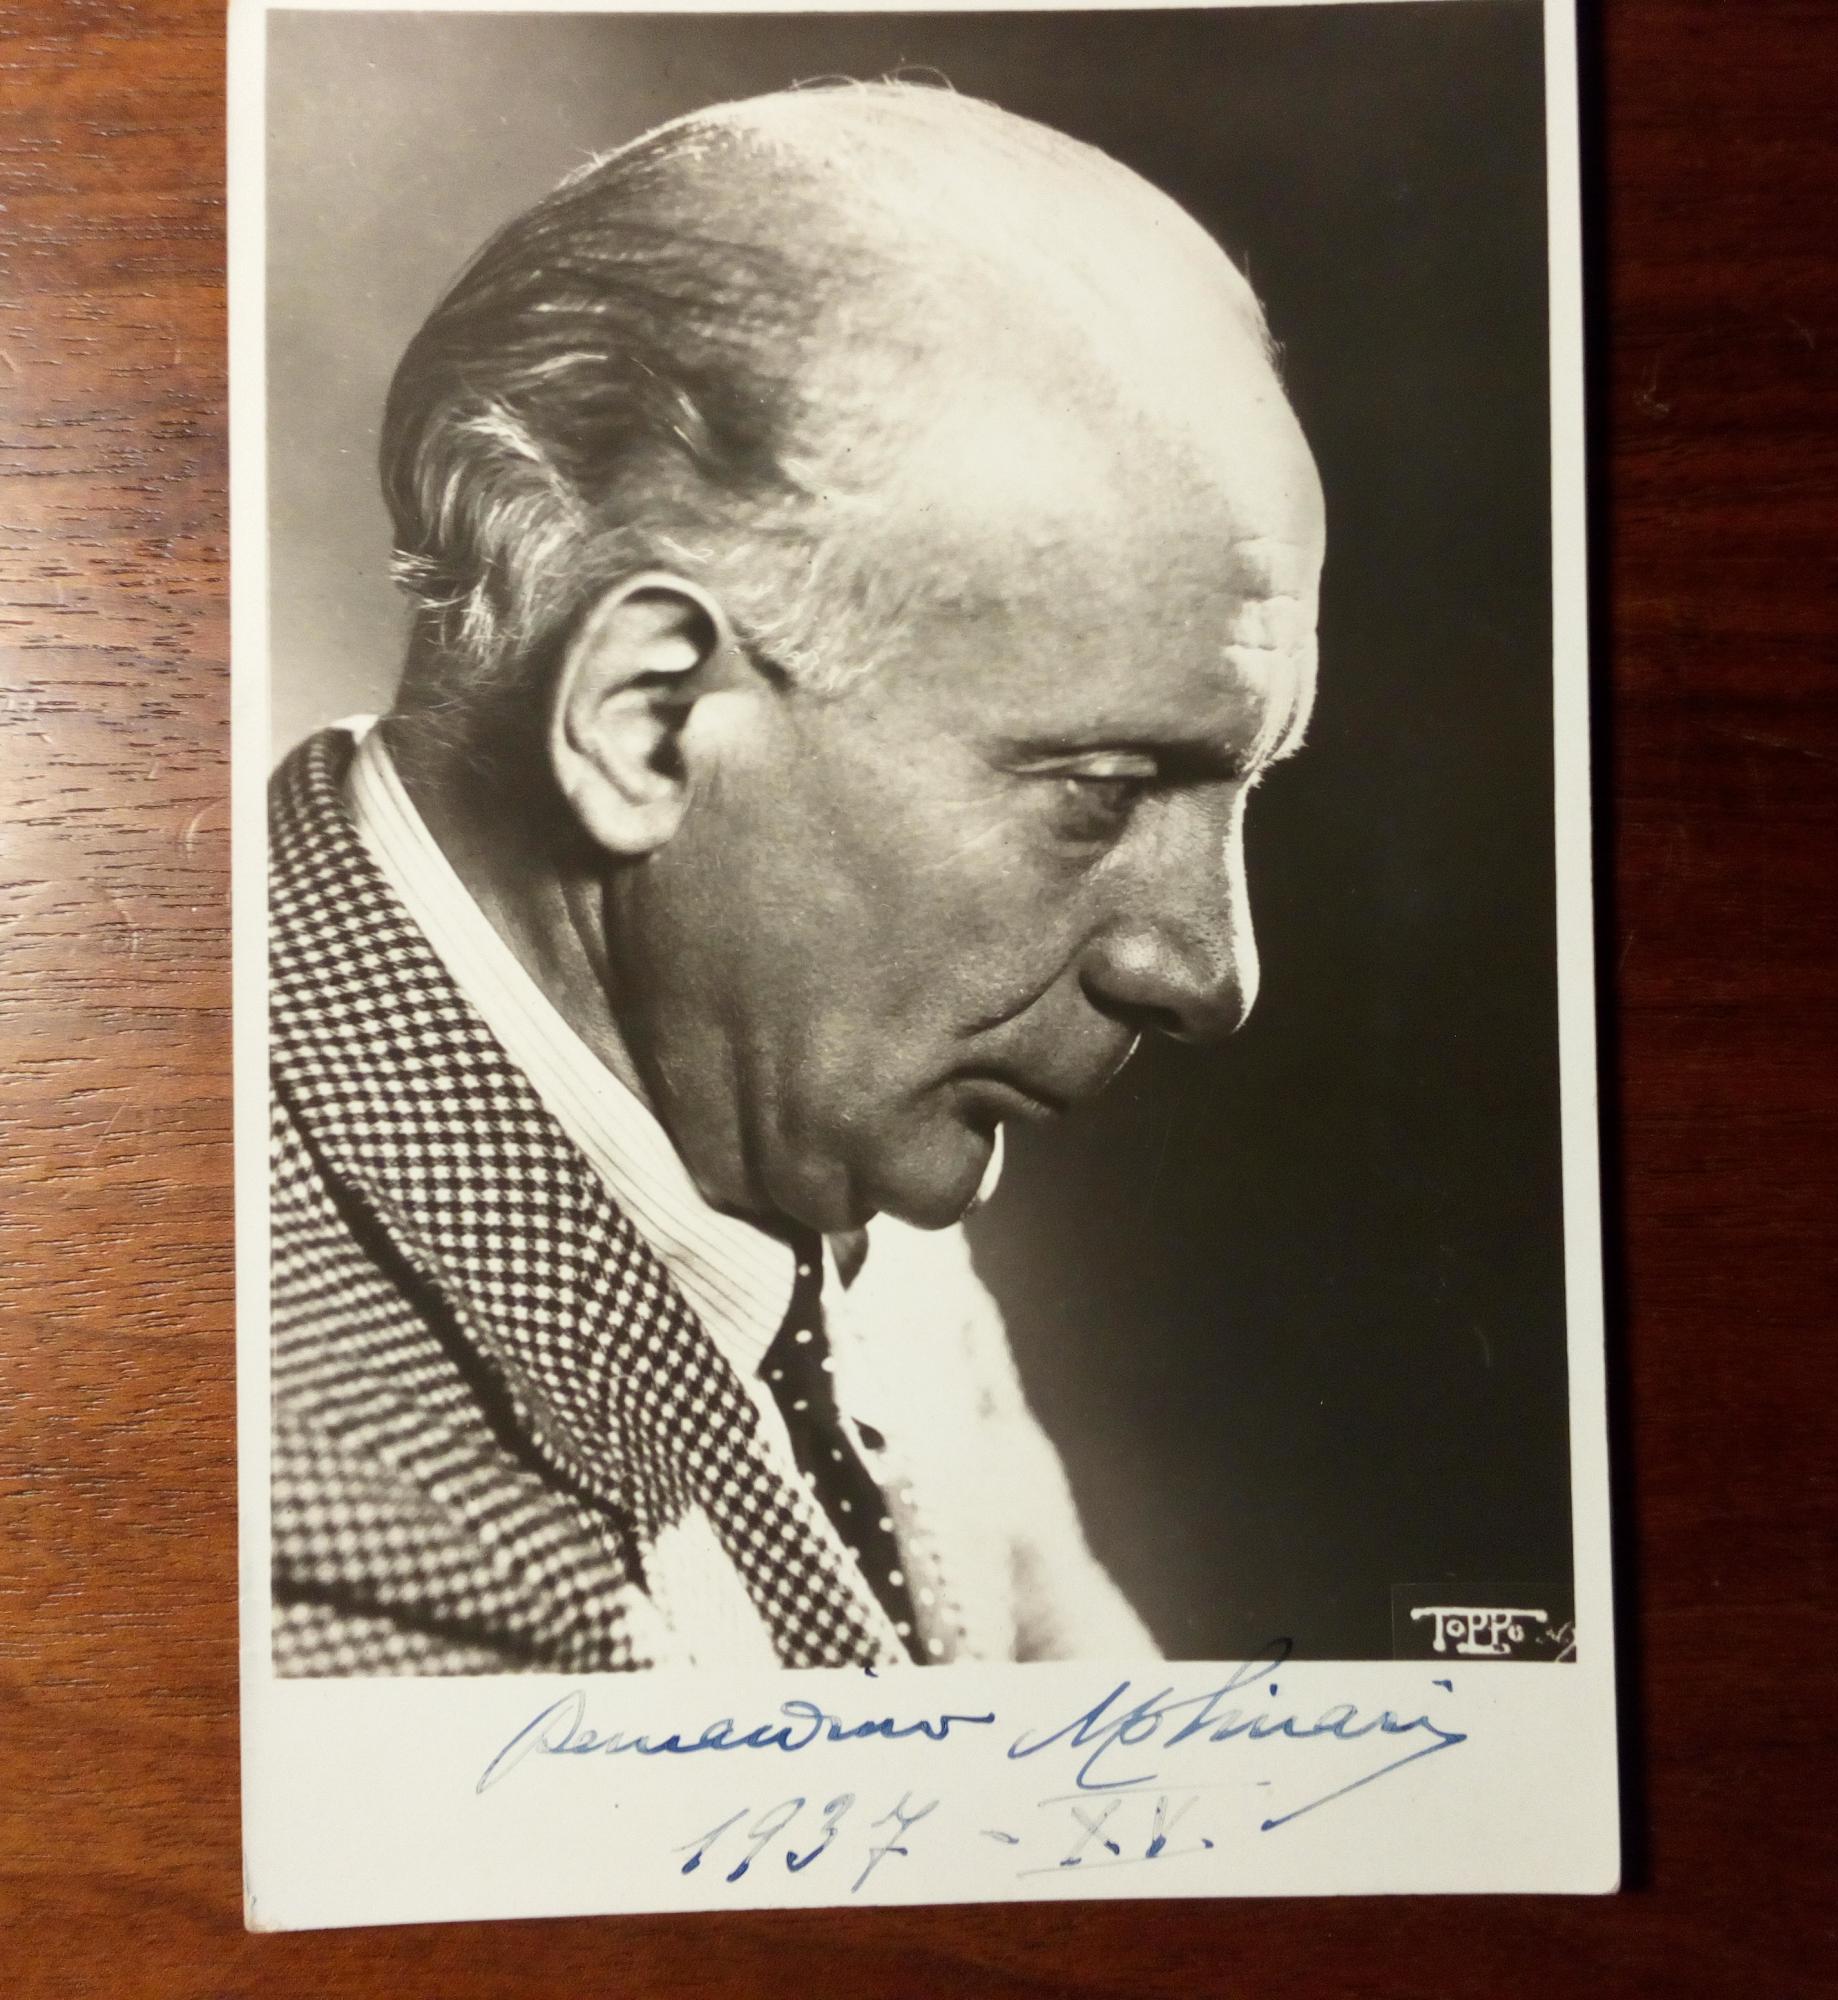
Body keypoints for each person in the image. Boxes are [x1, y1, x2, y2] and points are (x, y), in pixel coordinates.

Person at [267, 80, 1324, 1675]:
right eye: (1104, 789)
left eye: (1242, 786)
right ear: (646, 724)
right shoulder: (314, 1508)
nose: (1214, 969)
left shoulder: (772, 1111)